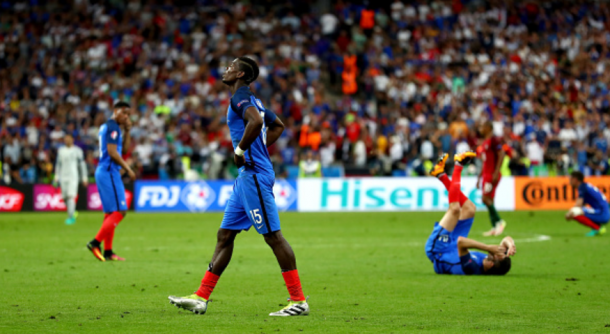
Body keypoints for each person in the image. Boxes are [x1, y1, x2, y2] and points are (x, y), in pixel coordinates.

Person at [168, 57, 309, 317]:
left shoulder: (241, 98)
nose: (227, 69)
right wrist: (260, 148)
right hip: (246, 176)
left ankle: (298, 300)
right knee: (225, 235)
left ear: (241, 74)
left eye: (231, 67)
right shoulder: (254, 99)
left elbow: (256, 122)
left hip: (253, 174)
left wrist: (242, 149)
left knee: (272, 236)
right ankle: (201, 297)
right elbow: (277, 125)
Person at [427, 152, 516, 275]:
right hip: (452, 245)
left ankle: (458, 164)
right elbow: (506, 239)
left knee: (455, 209)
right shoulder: (489, 260)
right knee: (470, 208)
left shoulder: (472, 267)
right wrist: (510, 245)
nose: (497, 252)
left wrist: (488, 247)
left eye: (498, 255)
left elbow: (461, 242)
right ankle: (440, 174)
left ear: (491, 264)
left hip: (440, 250)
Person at [86, 102, 135, 262]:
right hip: (109, 171)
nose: (127, 117)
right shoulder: (113, 127)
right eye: (124, 113)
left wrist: (128, 131)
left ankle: (108, 252)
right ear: (116, 111)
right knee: (121, 211)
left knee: (110, 213)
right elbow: (113, 153)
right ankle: (95, 243)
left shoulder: (110, 127)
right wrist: (128, 168)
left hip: (105, 170)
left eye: (128, 114)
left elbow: (125, 150)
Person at [477, 121, 507, 236]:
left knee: (485, 199)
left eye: (482, 126)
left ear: (488, 128)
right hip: (486, 175)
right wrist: (479, 178)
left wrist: (496, 172)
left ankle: (499, 221)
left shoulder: (494, 140)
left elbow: (502, 154)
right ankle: (495, 227)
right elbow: (485, 162)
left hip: (491, 175)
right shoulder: (485, 142)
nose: (480, 129)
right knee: (490, 200)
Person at [54, 134, 88, 225]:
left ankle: (71, 218)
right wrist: (56, 176)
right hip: (63, 177)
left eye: (69, 139)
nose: (67, 141)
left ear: (72, 140)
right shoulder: (61, 151)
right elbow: (58, 165)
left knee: (70, 196)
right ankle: (73, 212)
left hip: (73, 177)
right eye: (65, 139)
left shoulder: (77, 151)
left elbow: (82, 165)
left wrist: (84, 177)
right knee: (64, 197)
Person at [565, 171, 609, 236]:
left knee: (574, 212)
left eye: (571, 179)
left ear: (575, 179)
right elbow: (582, 206)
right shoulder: (585, 186)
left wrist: (569, 214)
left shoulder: (582, 187)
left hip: (602, 213)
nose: (569, 181)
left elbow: (578, 205)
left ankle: (597, 228)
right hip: (603, 212)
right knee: (579, 211)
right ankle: (596, 228)